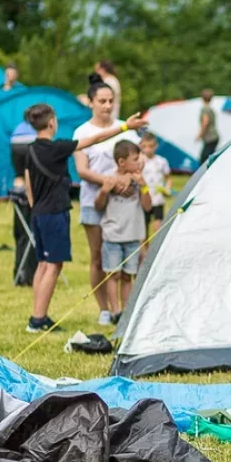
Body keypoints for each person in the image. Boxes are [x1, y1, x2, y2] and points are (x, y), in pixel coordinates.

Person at [22, 103, 145, 333]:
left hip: (38, 212)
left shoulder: (30, 150)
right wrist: (125, 127)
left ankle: (37, 314)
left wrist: (33, 207)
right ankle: (38, 319)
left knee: (43, 264)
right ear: (52, 122)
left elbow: (28, 182)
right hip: (54, 212)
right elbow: (94, 139)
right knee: (53, 265)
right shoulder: (57, 147)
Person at [73, 82, 137, 324]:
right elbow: (82, 170)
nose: (107, 106)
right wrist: (110, 182)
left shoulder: (126, 130)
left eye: (110, 101)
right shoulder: (82, 132)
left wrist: (127, 180)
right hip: (94, 201)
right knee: (99, 257)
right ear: (91, 102)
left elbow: (138, 162)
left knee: (125, 257)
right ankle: (104, 309)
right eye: (102, 101)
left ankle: (124, 308)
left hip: (123, 205)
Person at [94, 140, 151, 325]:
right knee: (113, 275)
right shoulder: (110, 180)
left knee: (128, 276)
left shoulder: (139, 181)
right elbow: (98, 206)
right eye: (135, 159)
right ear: (121, 162)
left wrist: (143, 186)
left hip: (133, 237)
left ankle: (126, 311)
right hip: (113, 236)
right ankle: (114, 310)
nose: (139, 162)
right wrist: (104, 191)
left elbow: (147, 206)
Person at [140, 132, 173, 243]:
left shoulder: (161, 161)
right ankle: (144, 250)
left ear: (156, 146)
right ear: (141, 146)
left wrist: (167, 188)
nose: (148, 149)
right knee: (143, 231)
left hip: (158, 199)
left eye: (151, 146)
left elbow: (168, 178)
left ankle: (158, 248)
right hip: (144, 200)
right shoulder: (139, 161)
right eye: (145, 146)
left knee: (158, 227)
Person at [196, 88, 220, 164]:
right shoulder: (210, 109)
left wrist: (200, 135)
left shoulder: (205, 109)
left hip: (210, 138)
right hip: (214, 136)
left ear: (202, 98)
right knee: (210, 157)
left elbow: (205, 122)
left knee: (203, 159)